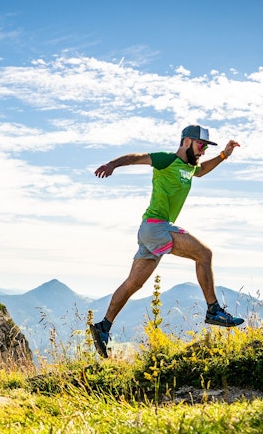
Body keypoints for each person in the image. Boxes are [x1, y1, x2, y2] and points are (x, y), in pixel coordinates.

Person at [88, 124, 244, 358]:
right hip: (156, 227)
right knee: (204, 254)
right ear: (186, 142)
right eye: (201, 146)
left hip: (149, 231)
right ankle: (213, 310)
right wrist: (113, 165)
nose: (202, 152)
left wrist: (222, 155)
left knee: (133, 283)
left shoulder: (189, 168)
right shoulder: (166, 160)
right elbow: (137, 157)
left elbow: (200, 171)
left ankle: (103, 327)